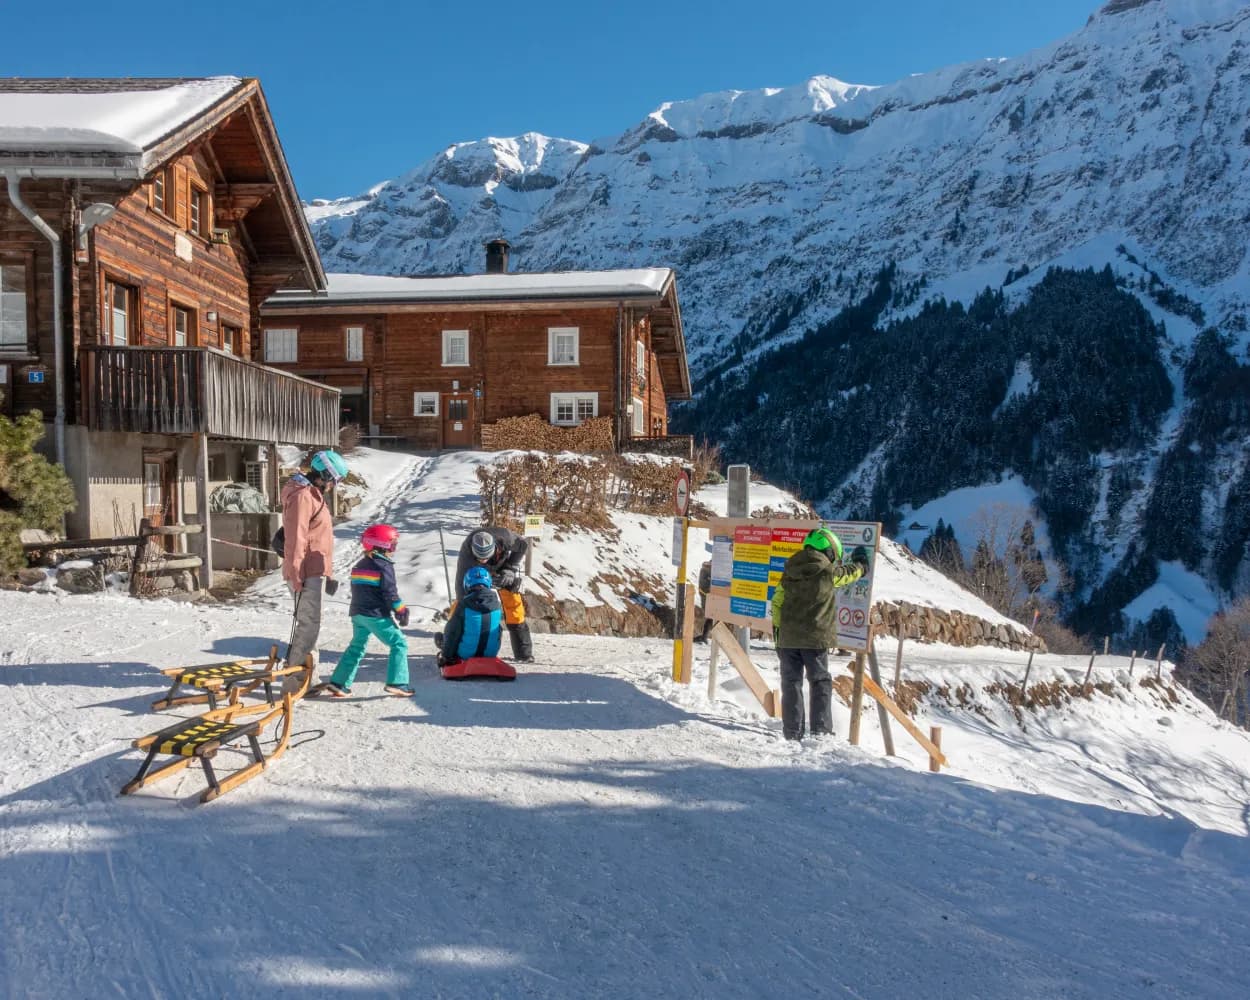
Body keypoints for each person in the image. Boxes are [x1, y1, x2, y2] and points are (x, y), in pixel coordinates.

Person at [772, 528, 870, 741]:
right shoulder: (827, 572)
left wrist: (779, 636)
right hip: (814, 639)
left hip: (788, 638)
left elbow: (777, 601)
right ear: (830, 551)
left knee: (790, 683)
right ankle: (821, 732)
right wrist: (862, 565)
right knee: (819, 681)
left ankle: (792, 732)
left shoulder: (789, 570)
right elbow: (847, 574)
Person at [281, 449, 348, 683]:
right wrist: (296, 572)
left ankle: (308, 677)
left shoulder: (313, 494)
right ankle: (294, 682)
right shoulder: (303, 496)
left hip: (315, 571)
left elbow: (317, 535)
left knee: (312, 625)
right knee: (308, 625)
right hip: (304, 571)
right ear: (325, 475)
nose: (334, 486)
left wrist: (327, 574)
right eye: (334, 480)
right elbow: (296, 537)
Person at [324, 523, 412, 698]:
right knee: (399, 643)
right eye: (393, 543)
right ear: (381, 545)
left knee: (357, 646)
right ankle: (397, 682)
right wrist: (401, 611)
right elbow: (390, 593)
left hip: (358, 614)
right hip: (375, 614)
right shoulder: (384, 566)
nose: (394, 548)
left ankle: (339, 683)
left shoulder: (360, 565)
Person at [455, 527, 533, 662]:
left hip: (503, 567)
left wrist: (510, 569)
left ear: (494, 548)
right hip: (478, 575)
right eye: (480, 557)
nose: (483, 559)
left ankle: (523, 653)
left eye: (485, 557)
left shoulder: (505, 537)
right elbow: (460, 587)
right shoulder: (466, 557)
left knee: (514, 604)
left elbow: (522, 545)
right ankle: (455, 643)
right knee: (461, 606)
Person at [437, 566, 503, 667]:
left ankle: (449, 652)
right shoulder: (497, 605)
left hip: (466, 655)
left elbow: (452, 632)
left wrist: (446, 656)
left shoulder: (464, 605)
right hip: (490, 654)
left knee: (444, 633)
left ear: (467, 584)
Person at [693, 559, 715, 643]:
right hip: (707, 597)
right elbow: (704, 586)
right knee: (711, 617)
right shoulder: (706, 570)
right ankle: (704, 636)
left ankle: (704, 636)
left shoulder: (707, 570)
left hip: (708, 596)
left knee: (711, 617)